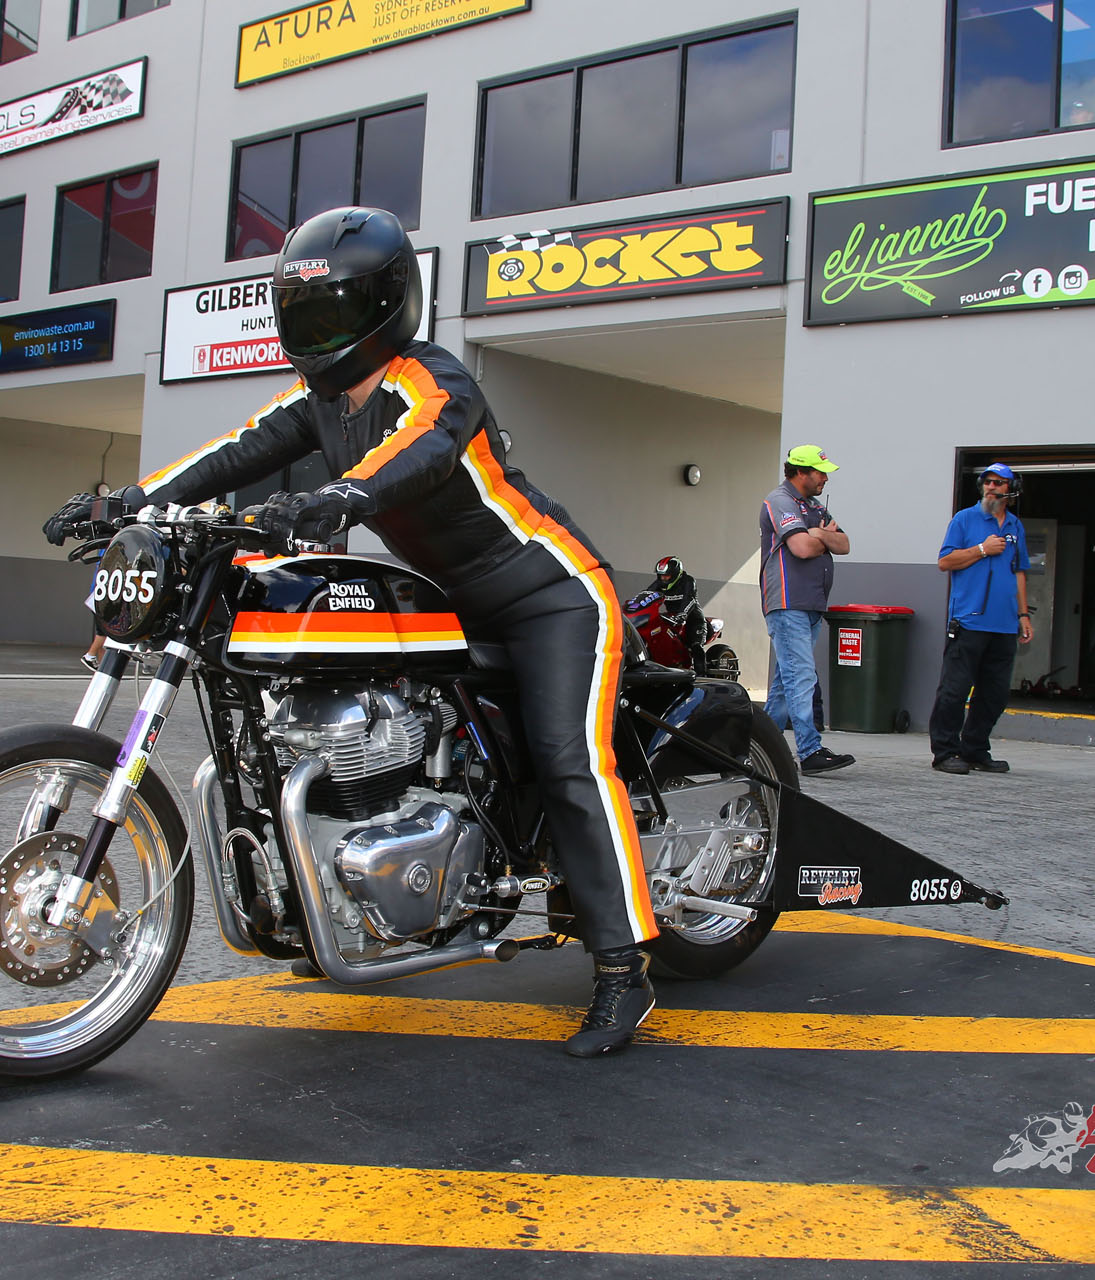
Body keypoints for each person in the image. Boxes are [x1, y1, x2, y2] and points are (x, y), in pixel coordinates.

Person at [43, 206, 658, 1057]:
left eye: (337, 311)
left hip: (550, 592)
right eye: (305, 314)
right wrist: (129, 502)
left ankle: (623, 968)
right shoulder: (319, 402)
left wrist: (339, 498)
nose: (320, 332)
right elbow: (232, 451)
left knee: (567, 760)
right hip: (451, 601)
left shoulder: (435, 381)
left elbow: (420, 448)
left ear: (389, 305)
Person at [929, 462, 1033, 774]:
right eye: (987, 481)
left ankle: (975, 749)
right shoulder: (964, 519)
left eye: (999, 483)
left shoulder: (1015, 526)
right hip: (969, 622)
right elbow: (945, 561)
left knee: (995, 694)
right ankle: (945, 752)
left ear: (1011, 490)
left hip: (1004, 625)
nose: (991, 487)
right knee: (954, 690)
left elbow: (1019, 572)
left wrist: (1023, 615)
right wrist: (982, 549)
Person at [758, 445, 854, 777]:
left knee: (786, 682)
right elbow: (800, 548)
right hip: (788, 603)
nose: (825, 478)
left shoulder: (812, 505)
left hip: (811, 604)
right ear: (800, 472)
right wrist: (823, 535)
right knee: (801, 676)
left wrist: (819, 534)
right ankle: (810, 751)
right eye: (819, 472)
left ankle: (759, 750)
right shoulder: (780, 501)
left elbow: (845, 544)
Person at [650, 555, 706, 671]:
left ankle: (701, 675)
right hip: (672, 618)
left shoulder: (688, 581)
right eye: (661, 576)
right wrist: (633, 606)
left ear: (675, 574)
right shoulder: (660, 583)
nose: (663, 579)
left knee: (696, 646)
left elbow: (689, 599)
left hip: (693, 619)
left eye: (667, 576)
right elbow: (646, 595)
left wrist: (682, 614)